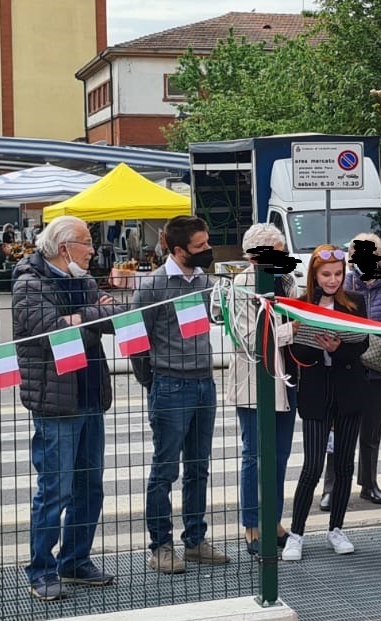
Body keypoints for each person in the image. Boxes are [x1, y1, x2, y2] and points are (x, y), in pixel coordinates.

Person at [12, 215, 126, 601]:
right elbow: (50, 334)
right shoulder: (30, 283)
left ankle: (75, 560)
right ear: (64, 248)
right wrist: (90, 317)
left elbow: (113, 319)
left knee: (90, 487)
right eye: (87, 242)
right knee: (54, 490)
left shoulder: (85, 281)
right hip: (57, 401)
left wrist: (81, 318)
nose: (93, 250)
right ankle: (41, 569)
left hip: (90, 395)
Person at [134, 214, 230, 574]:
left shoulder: (203, 280)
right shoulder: (153, 286)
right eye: (200, 246)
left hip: (205, 382)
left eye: (207, 242)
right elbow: (135, 343)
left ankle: (194, 540)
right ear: (178, 250)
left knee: (198, 467)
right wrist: (155, 382)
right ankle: (160, 545)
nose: (207, 250)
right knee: (165, 470)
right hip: (171, 384)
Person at [283, 245, 369, 562]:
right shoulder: (303, 305)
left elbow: (364, 343)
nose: (333, 281)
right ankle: (297, 533)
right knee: (312, 467)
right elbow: (298, 355)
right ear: (314, 275)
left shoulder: (356, 302)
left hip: (349, 391)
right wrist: (304, 338)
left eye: (338, 274)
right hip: (317, 392)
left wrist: (336, 348)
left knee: (345, 465)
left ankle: (337, 528)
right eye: (326, 275)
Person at [226, 223, 300, 557]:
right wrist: (290, 330)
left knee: (280, 456)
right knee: (255, 456)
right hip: (255, 383)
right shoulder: (241, 285)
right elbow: (249, 340)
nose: (283, 256)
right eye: (276, 251)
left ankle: (274, 522)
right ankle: (252, 526)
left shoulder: (288, 281)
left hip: (287, 379)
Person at [322, 232, 381, 507]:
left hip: (380, 369)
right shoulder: (342, 285)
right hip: (347, 368)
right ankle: (333, 487)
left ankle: (369, 483)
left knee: (371, 431)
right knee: (338, 430)